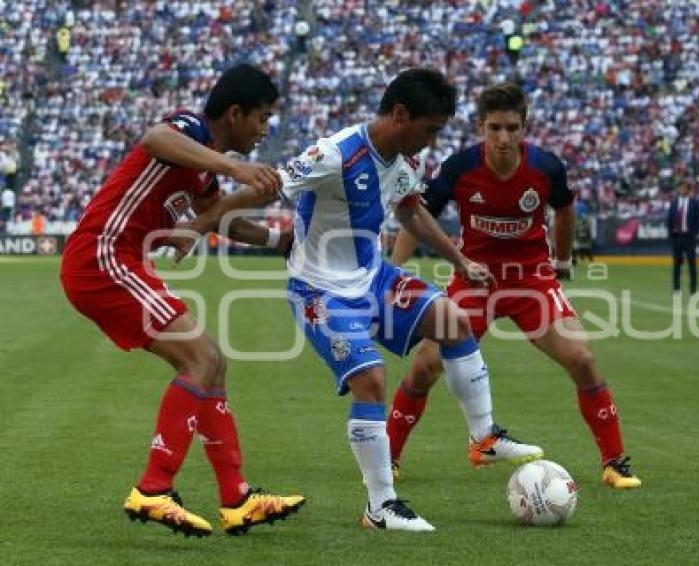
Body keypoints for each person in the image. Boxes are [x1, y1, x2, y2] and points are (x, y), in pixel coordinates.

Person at [183, 68, 543, 532]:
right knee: (371, 380)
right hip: (320, 291)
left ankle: (484, 437)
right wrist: (199, 225)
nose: (431, 142)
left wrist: (459, 261)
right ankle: (381, 508)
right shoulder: (336, 153)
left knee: (454, 322)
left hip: (372, 277)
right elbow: (261, 188)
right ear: (399, 114)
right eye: (429, 130)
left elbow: (410, 209)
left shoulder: (408, 161)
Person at [59, 64, 305, 537]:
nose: (263, 129)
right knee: (199, 358)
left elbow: (215, 219)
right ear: (235, 113)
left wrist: (283, 241)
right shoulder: (190, 129)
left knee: (212, 362)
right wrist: (235, 168)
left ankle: (237, 498)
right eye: (262, 117)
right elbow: (154, 138)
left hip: (119, 262)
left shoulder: (202, 172)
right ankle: (153, 488)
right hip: (101, 258)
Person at [388, 82, 641, 490]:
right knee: (426, 364)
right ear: (481, 127)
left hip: (530, 281)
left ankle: (614, 463)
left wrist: (560, 261)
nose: (503, 138)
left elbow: (564, 209)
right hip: (475, 279)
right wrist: (394, 271)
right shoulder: (458, 168)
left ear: (524, 128)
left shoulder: (545, 167)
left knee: (583, 359)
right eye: (494, 128)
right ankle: (389, 457)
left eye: (511, 128)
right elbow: (415, 215)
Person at [666, 180, 699, 293]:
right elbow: (669, 219)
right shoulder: (674, 202)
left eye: (683, 188)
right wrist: (671, 234)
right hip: (677, 236)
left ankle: (693, 288)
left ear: (688, 190)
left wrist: (694, 233)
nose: (681, 190)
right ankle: (676, 287)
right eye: (679, 188)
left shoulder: (694, 203)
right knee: (676, 263)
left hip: (689, 237)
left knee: (692, 263)